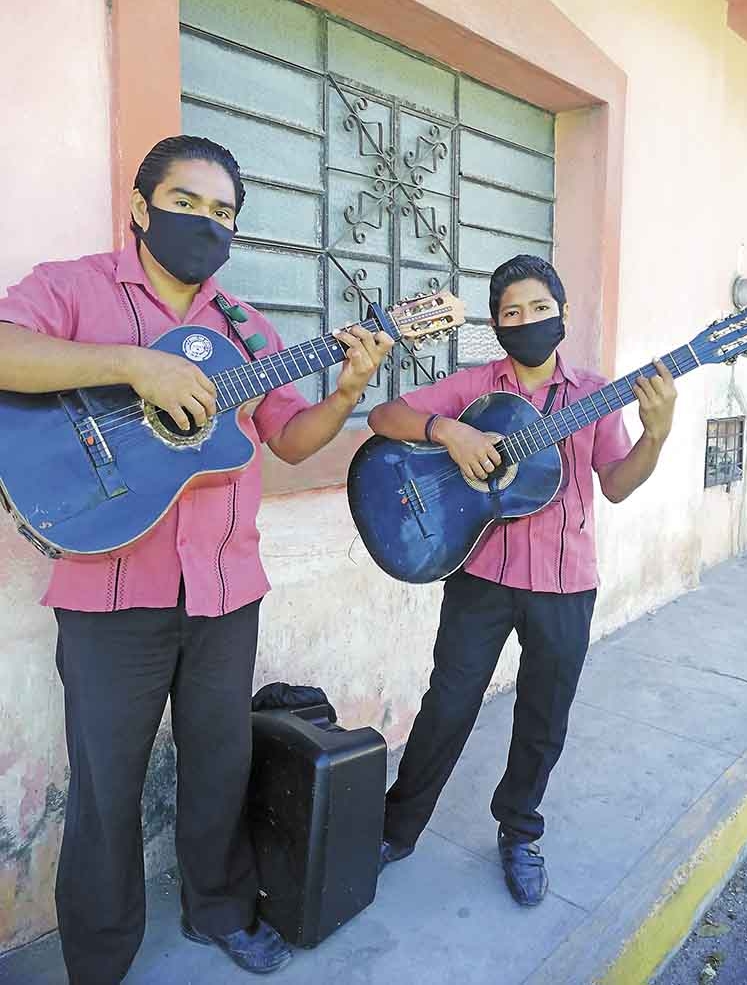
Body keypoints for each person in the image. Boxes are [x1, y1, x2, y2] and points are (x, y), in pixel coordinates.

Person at [0, 135, 393, 982]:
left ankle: (219, 906)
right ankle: (99, 957)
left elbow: (289, 438)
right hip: (110, 590)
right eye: (186, 203)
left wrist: (348, 392)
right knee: (106, 787)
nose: (205, 223)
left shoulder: (247, 328)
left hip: (224, 588)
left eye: (223, 213)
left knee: (222, 763)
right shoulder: (73, 287)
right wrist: (135, 367)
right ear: (141, 208)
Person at [368, 254, 676, 906]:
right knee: (448, 706)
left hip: (566, 581)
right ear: (496, 323)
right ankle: (396, 827)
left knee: (543, 717)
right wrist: (448, 430)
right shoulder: (478, 387)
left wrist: (656, 432)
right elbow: (383, 418)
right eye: (511, 312)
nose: (526, 320)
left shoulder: (595, 395)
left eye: (539, 308)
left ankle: (519, 831)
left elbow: (617, 484)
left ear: (563, 313)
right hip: (481, 574)